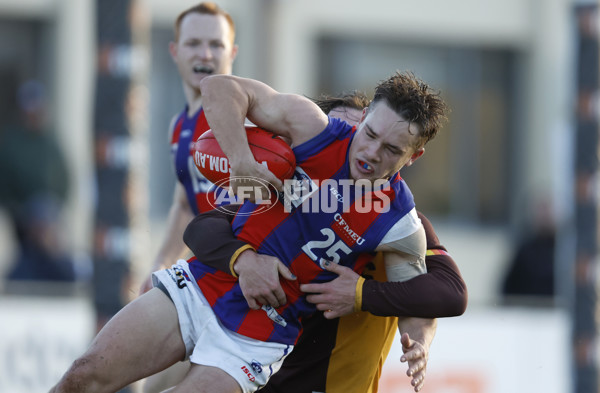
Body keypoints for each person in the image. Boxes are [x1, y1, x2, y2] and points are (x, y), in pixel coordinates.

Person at [50, 71, 451, 393]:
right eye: (370, 135)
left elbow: (415, 298)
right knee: (83, 377)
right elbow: (220, 88)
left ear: (413, 157)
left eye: (391, 150)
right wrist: (241, 159)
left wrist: (419, 343)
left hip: (259, 334)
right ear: (362, 119)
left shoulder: (399, 222)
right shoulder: (312, 128)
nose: (371, 153)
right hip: (203, 285)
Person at [182, 92, 466, 393]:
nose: (363, 151)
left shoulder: (396, 223)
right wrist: (245, 260)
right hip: (259, 371)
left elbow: (447, 292)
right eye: (338, 135)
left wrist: (363, 295)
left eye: (363, 135)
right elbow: (202, 227)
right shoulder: (287, 193)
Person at [137, 3, 238, 391]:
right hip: (201, 286)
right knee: (150, 383)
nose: (206, 54)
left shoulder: (251, 121)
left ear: (233, 52)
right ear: (175, 51)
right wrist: (160, 264)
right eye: (194, 43)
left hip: (246, 296)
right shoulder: (179, 124)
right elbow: (185, 203)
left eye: (216, 44)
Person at [0, 79, 74, 282]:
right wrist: (22, 215)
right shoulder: (12, 143)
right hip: (23, 221)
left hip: (50, 214)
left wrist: (54, 212)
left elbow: (65, 181)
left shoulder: (51, 143)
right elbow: (5, 186)